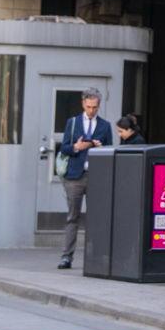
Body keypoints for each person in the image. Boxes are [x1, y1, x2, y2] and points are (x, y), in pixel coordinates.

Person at [57, 87, 114, 269]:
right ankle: (67, 257)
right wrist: (76, 147)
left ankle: (95, 257)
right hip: (74, 176)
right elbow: (64, 148)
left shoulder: (105, 126)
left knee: (96, 217)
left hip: (96, 176)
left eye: (95, 107)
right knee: (73, 216)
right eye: (89, 107)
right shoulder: (72, 123)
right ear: (83, 103)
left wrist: (99, 147)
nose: (91, 111)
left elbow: (110, 151)